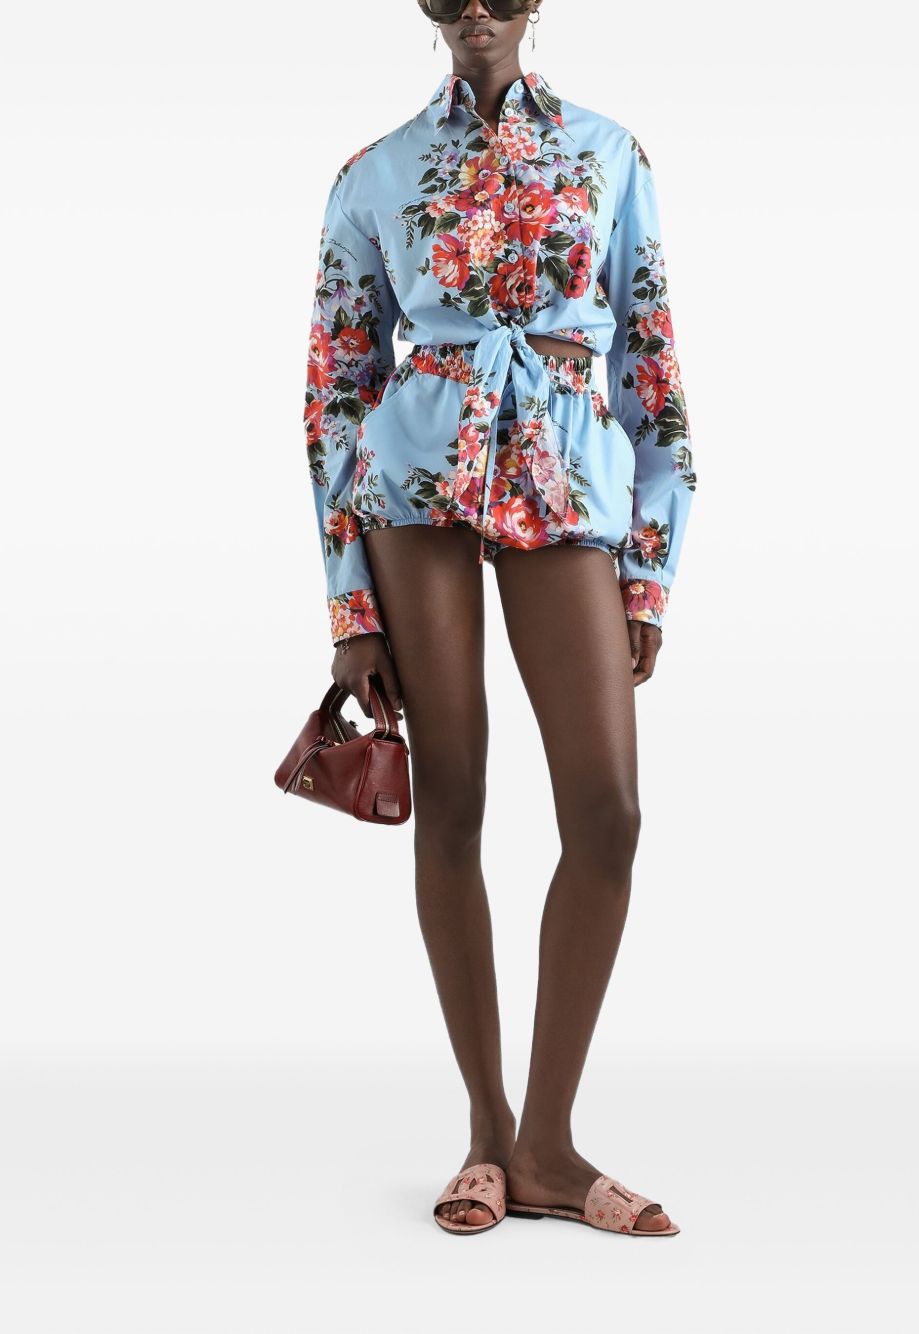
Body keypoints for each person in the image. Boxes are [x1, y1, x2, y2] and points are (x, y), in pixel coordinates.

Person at [301, 0, 696, 1236]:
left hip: (567, 479)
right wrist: (348, 603)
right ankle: (486, 1131)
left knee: (607, 810)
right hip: (414, 487)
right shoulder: (372, 174)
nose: (477, 8)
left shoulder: (609, 153)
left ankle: (548, 1144)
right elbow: (335, 390)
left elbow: (648, 365)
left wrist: (648, 565)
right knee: (455, 796)